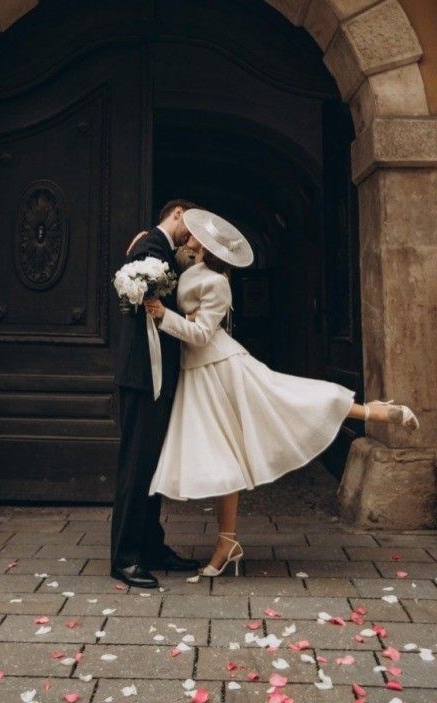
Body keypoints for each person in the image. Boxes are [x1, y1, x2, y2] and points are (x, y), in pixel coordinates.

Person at [144, 208, 420, 579]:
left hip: (222, 368)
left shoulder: (217, 283)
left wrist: (165, 316)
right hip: (198, 375)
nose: (189, 235)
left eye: (195, 234)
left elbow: (202, 334)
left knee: (288, 401)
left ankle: (373, 412)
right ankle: (228, 542)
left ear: (207, 246)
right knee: (223, 457)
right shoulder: (190, 271)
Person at [111, 199, 201, 588]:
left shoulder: (158, 249)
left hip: (157, 375)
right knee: (136, 465)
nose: (193, 238)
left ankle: (151, 546)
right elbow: (136, 298)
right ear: (178, 213)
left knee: (152, 465)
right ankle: (125, 557)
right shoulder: (151, 246)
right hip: (142, 375)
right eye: (193, 225)